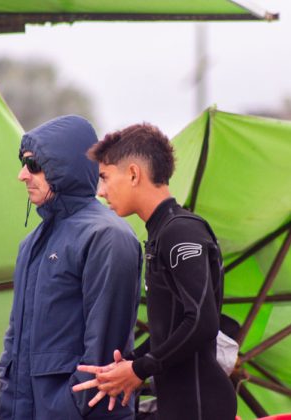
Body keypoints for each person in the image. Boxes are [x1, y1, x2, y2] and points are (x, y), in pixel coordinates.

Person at [74, 123, 237, 419]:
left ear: (134, 174)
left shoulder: (181, 231)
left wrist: (139, 369)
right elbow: (171, 329)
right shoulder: (162, 232)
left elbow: (202, 321)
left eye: (105, 177)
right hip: (178, 405)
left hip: (201, 407)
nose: (101, 191)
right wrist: (130, 362)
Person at [0, 115, 142, 419]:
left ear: (63, 168)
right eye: (22, 164)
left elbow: (105, 351)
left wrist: (68, 408)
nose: (23, 175)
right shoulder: (31, 244)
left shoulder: (106, 237)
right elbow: (14, 342)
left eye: (33, 165)